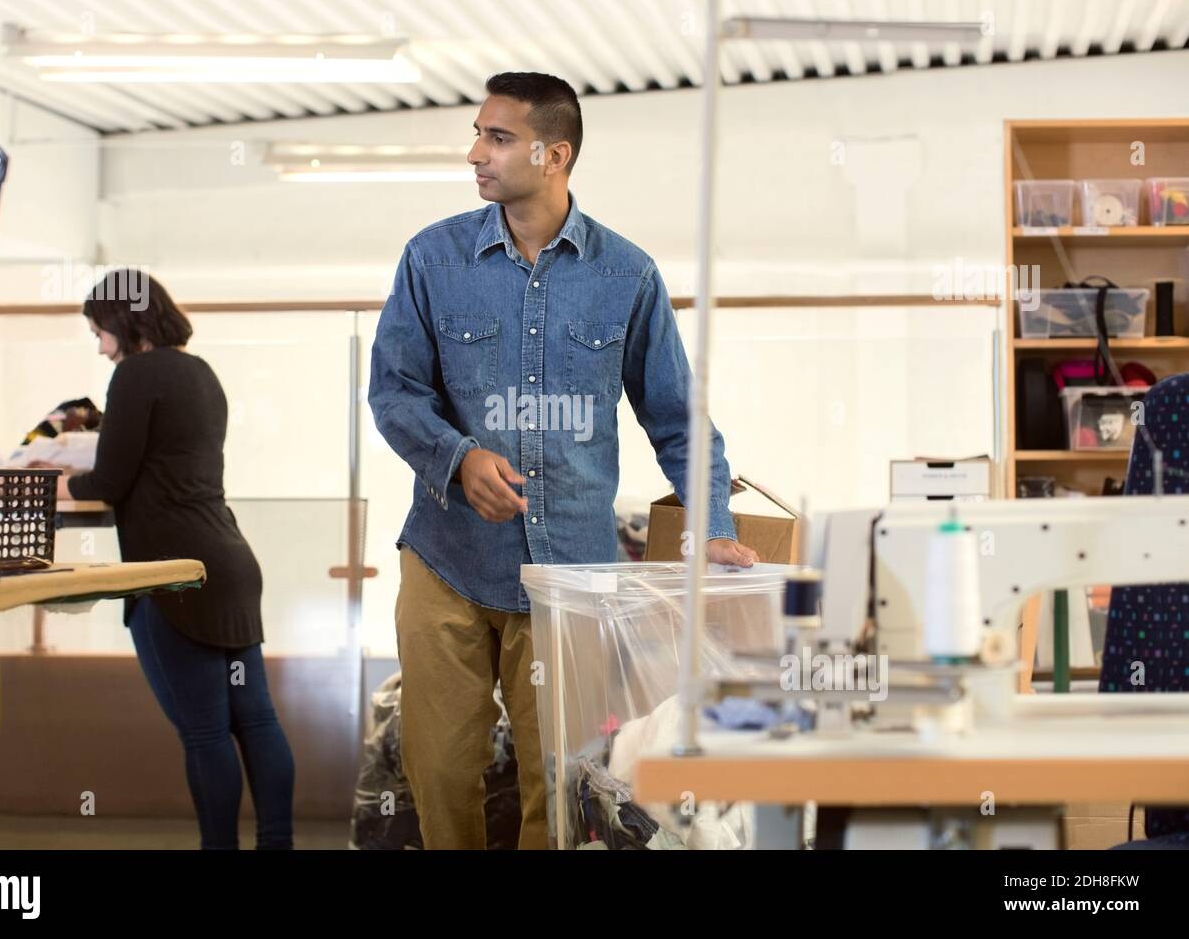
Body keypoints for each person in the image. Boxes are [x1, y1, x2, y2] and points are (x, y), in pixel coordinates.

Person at [368, 72, 757, 850]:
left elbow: (680, 420)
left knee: (563, 780)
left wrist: (710, 524)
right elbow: (392, 390)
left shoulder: (627, 276)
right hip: (447, 561)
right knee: (440, 770)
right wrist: (457, 457)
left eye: (497, 137)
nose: (476, 153)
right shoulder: (433, 260)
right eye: (478, 134)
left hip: (572, 580)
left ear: (555, 153)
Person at [55, 270, 295, 850]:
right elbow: (160, 460)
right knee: (255, 721)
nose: (100, 346)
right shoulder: (198, 372)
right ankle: (277, 843)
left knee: (205, 732)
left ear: (123, 321)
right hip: (230, 563)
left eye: (99, 332)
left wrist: (52, 482)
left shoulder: (135, 375)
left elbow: (110, 480)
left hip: (172, 573)